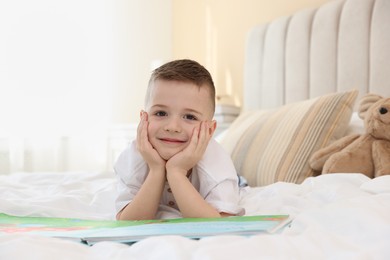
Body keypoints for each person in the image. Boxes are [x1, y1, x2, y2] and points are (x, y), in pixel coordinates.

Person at [114, 59, 244, 220]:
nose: (172, 127)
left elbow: (219, 223)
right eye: (161, 113)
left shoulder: (216, 164)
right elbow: (127, 221)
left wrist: (176, 172)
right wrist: (156, 170)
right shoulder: (134, 156)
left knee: (239, 185)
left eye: (189, 116)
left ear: (210, 130)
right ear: (143, 119)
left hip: (231, 179)